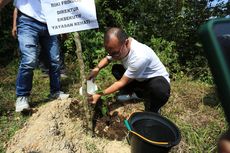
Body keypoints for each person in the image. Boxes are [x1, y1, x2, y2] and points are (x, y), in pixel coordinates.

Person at [88, 27, 170, 113]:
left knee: (158, 90)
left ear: (126, 43)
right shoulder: (119, 47)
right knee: (116, 69)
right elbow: (107, 59)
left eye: (115, 53)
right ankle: (136, 94)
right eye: (110, 53)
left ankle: (154, 108)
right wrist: (97, 68)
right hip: (139, 78)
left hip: (155, 80)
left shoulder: (140, 56)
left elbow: (121, 83)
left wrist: (99, 94)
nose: (113, 56)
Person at [14, 0, 69, 112]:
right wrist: (14, 24)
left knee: (55, 60)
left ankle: (55, 91)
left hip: (51, 23)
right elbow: (15, 5)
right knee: (29, 60)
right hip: (27, 20)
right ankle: (22, 97)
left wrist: (63, 26)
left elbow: (60, 4)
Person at [12, 8, 67, 78]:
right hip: (30, 24)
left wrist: (63, 27)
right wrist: (14, 25)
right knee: (38, 49)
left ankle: (60, 71)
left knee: (55, 48)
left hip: (49, 22)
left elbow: (58, 7)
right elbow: (17, 8)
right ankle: (45, 70)